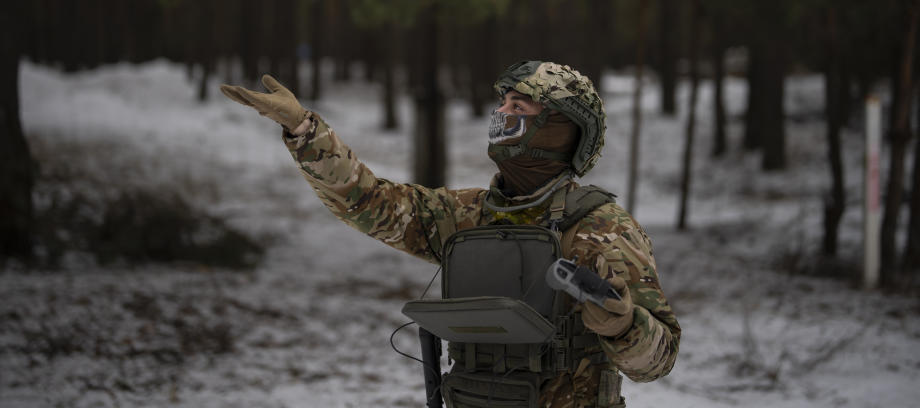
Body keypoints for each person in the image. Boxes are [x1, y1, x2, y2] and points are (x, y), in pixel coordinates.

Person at [221, 60, 680, 408]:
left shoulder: (603, 229)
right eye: (502, 104)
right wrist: (303, 129)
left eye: (517, 107)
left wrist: (624, 326)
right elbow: (371, 202)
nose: (500, 114)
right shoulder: (469, 215)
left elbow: (657, 361)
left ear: (559, 130)